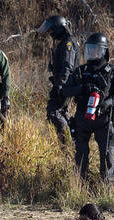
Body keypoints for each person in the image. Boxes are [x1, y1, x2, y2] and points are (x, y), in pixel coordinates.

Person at [60, 33, 114, 185]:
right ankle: (80, 187)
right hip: (82, 117)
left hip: (103, 118)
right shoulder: (81, 71)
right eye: (90, 49)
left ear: (104, 51)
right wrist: (81, 89)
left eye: (96, 49)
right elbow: (65, 91)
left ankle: (108, 190)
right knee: (81, 154)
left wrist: (108, 102)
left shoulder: (112, 71)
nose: (92, 53)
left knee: (106, 154)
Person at [37, 15, 80, 145]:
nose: (50, 33)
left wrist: (59, 86)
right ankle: (72, 142)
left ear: (58, 28)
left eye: (51, 30)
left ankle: (67, 144)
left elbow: (68, 67)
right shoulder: (63, 42)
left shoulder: (69, 42)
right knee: (62, 112)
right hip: (64, 84)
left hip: (67, 85)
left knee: (54, 111)